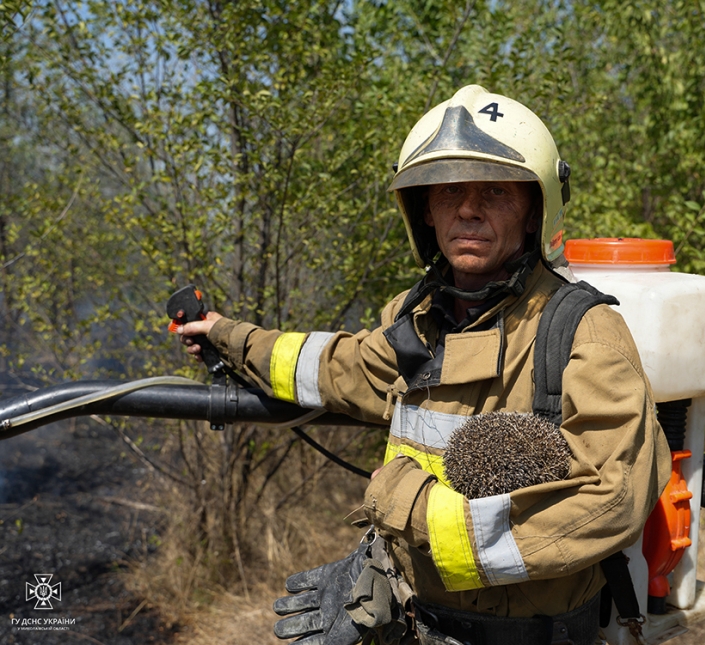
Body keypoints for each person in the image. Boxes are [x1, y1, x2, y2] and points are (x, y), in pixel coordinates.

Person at [178, 85, 671, 645]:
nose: (467, 208)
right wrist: (227, 336)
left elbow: (612, 501)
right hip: (411, 623)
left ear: (536, 211)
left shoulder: (582, 331)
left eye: (494, 191)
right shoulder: (416, 318)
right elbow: (336, 367)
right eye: (449, 191)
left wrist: (411, 507)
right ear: (425, 212)